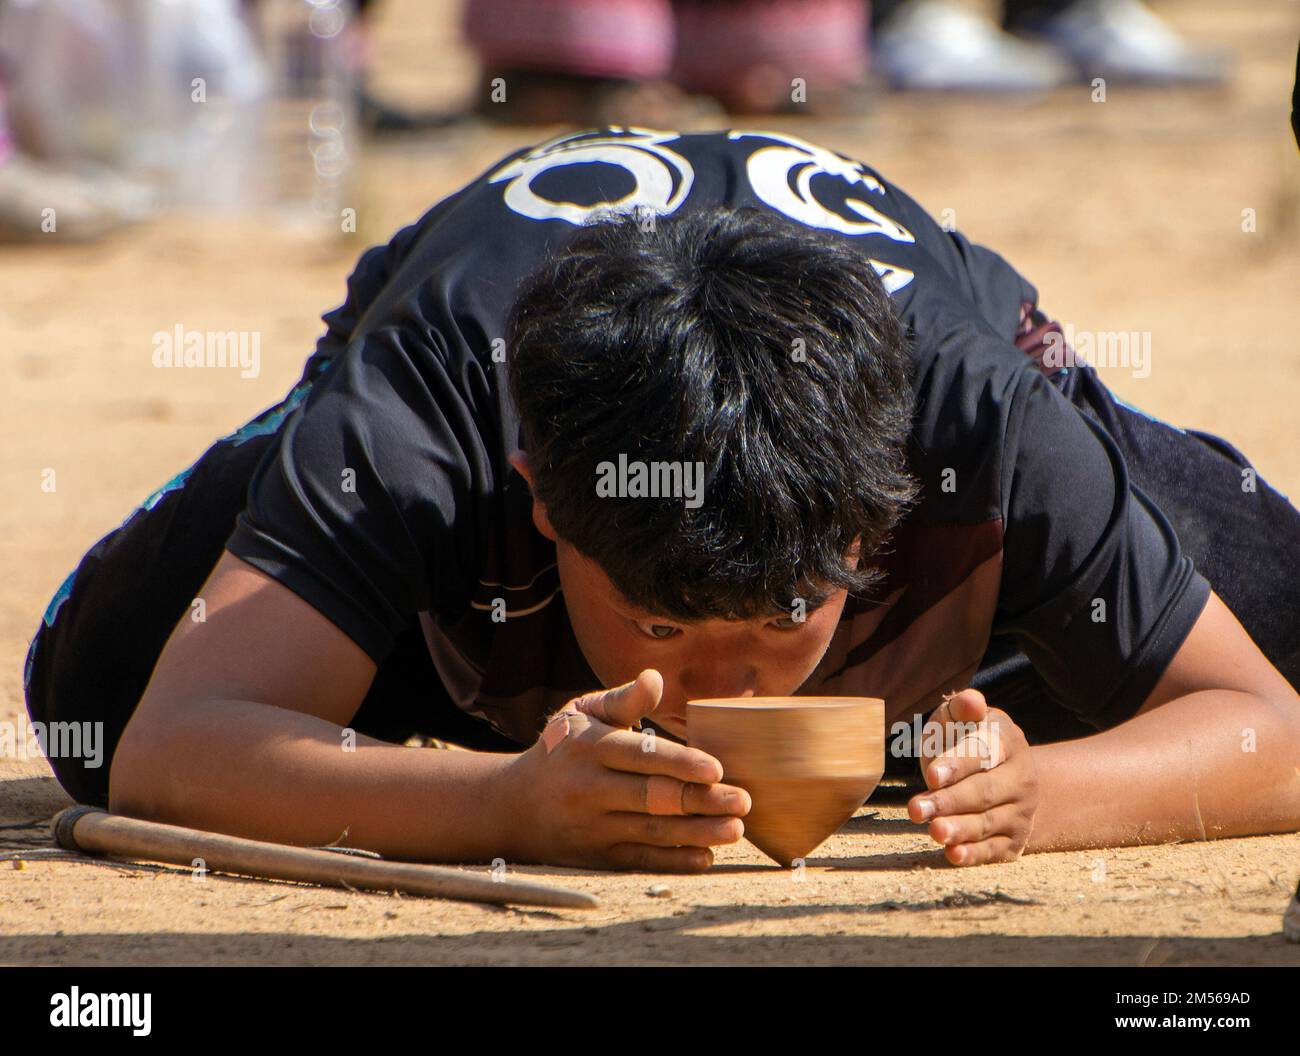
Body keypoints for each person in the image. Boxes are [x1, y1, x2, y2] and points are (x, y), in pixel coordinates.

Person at [23, 127, 1300, 872]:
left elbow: (1268, 728)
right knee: (97, 687)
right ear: (541, 501)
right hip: (456, 331)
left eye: (789, 614)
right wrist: (500, 804)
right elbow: (175, 747)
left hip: (936, 345)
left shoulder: (975, 420)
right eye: (666, 629)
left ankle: (985, 674)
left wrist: (1049, 796)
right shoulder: (431, 415)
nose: (728, 700)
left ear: (878, 521)